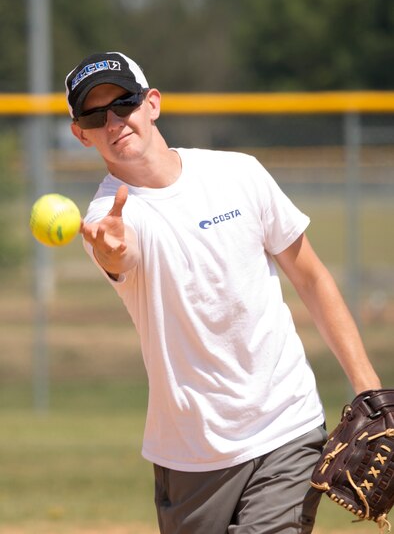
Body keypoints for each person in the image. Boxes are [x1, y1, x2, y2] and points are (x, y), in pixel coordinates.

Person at [65, 51, 381, 534]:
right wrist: (109, 252)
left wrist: (370, 391)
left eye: (123, 103)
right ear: (80, 133)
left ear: (152, 103)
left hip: (286, 424)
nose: (113, 121)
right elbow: (119, 255)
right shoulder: (106, 219)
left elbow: (312, 278)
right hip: (190, 455)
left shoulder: (239, 174)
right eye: (93, 114)